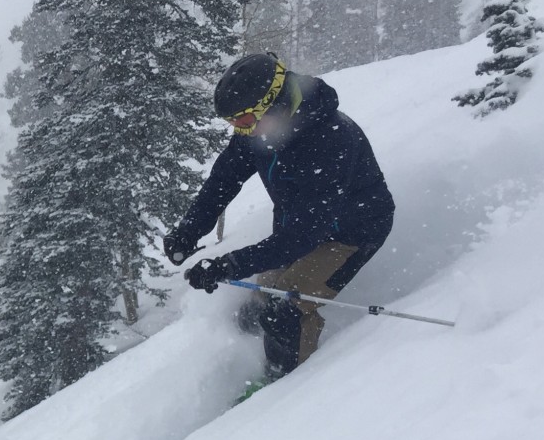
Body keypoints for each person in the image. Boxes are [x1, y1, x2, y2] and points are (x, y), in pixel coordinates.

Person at [163, 52, 395, 382]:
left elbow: (303, 237)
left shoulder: (329, 140)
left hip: (352, 233)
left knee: (286, 309)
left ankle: (282, 392)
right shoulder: (258, 132)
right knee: (257, 306)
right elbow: (223, 181)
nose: (240, 131)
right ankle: (254, 357)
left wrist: (229, 265)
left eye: (243, 121)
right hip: (298, 227)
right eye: (234, 124)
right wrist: (189, 232)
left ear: (276, 102)